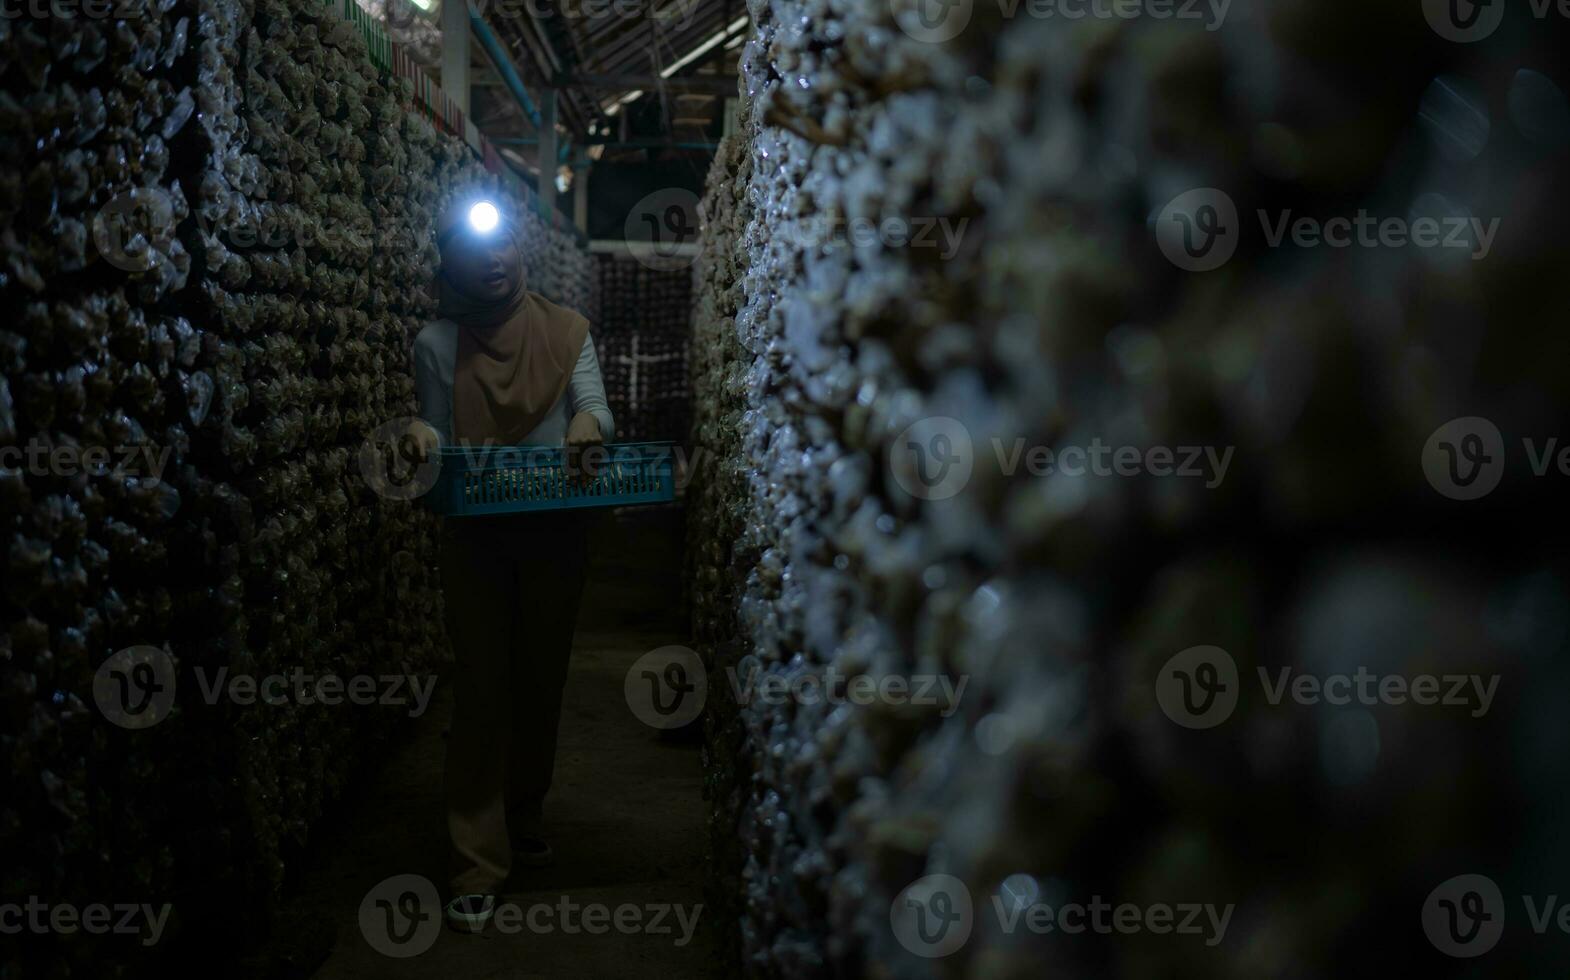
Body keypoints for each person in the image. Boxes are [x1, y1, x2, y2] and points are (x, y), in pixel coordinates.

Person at [409, 197, 614, 932]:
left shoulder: (565, 331)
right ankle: (476, 858)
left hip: (555, 533)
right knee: (482, 689)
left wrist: (589, 425)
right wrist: (421, 440)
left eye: (503, 252)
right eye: (477, 255)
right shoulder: (436, 342)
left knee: (540, 681)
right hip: (477, 538)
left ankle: (523, 812)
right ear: (452, 262)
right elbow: (434, 426)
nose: (495, 265)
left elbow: (594, 406)